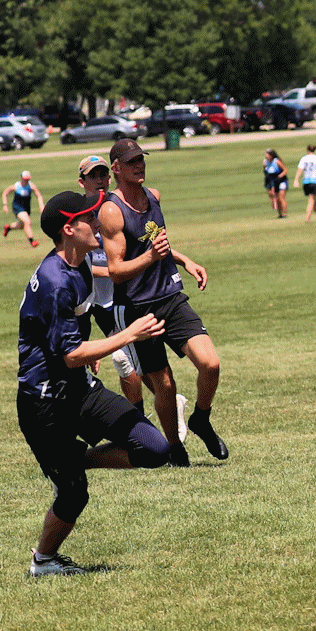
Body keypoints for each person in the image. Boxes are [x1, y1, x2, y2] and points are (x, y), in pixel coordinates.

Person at [17, 189, 171, 576]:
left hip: (79, 389)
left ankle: (76, 460)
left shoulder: (80, 263)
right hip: (45, 404)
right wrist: (127, 335)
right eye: (89, 217)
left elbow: (76, 327)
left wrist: (90, 349)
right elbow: (70, 354)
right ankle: (44, 561)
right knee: (74, 495)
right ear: (69, 229)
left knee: (155, 448)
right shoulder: (55, 280)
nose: (97, 221)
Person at [98, 138, 227, 468]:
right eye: (131, 161)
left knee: (210, 364)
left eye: (141, 159)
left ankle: (201, 418)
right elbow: (115, 271)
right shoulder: (111, 211)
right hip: (139, 308)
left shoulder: (153, 196)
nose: (139, 165)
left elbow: (155, 244)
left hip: (171, 297)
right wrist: (150, 257)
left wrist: (185, 260)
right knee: (164, 385)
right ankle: (175, 449)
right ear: (116, 168)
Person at [77, 154, 188, 444]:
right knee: (132, 364)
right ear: (82, 182)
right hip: (100, 304)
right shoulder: (80, 215)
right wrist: (108, 271)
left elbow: (145, 248)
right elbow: (78, 262)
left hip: (126, 299)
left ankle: (142, 427)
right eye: (93, 176)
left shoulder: (119, 206)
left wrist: (182, 259)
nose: (100, 180)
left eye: (103, 174)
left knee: (126, 362)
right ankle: (159, 412)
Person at [1, 171, 45, 248]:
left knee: (22, 225)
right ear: (21, 178)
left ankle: (8, 228)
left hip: (26, 208)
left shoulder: (31, 186)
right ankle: (32, 241)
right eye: (25, 179)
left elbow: (39, 196)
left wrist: (41, 206)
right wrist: (5, 205)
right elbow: (5, 193)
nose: (26, 181)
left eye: (28, 179)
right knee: (27, 221)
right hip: (17, 207)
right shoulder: (15, 186)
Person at [293, 143, 316, 223]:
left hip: (306, 181)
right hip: (314, 181)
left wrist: (296, 180)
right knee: (311, 200)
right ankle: (307, 218)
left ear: (307, 150)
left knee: (314, 200)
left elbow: (300, 170)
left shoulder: (304, 159)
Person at [263, 149, 289, 219]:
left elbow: (285, 170)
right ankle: (280, 214)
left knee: (281, 198)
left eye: (267, 154)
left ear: (271, 155)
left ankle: (284, 213)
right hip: (272, 180)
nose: (266, 156)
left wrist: (279, 177)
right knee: (276, 198)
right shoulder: (265, 162)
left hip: (281, 180)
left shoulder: (277, 161)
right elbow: (265, 170)